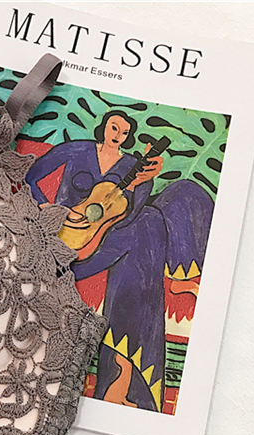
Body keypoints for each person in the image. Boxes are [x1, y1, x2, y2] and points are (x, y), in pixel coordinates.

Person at [25, 110, 213, 411]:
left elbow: (129, 214)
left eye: (124, 132)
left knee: (157, 214)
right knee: (149, 227)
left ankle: (122, 379)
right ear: (103, 126)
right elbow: (29, 176)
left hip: (104, 243)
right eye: (114, 127)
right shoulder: (77, 149)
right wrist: (45, 207)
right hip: (65, 244)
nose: (118, 135)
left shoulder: (129, 165)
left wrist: (142, 183)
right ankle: (126, 382)